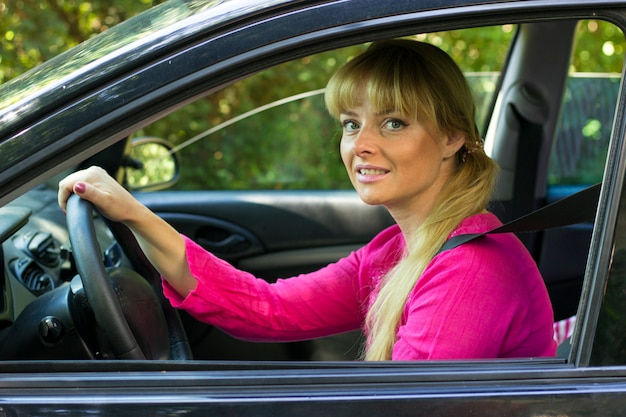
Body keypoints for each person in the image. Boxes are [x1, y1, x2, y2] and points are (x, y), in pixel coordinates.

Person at [58, 39, 556, 361]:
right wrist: (133, 214)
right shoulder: (396, 252)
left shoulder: (470, 270)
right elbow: (269, 308)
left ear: (452, 137)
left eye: (394, 122)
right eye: (350, 123)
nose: (361, 143)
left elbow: (403, 407)